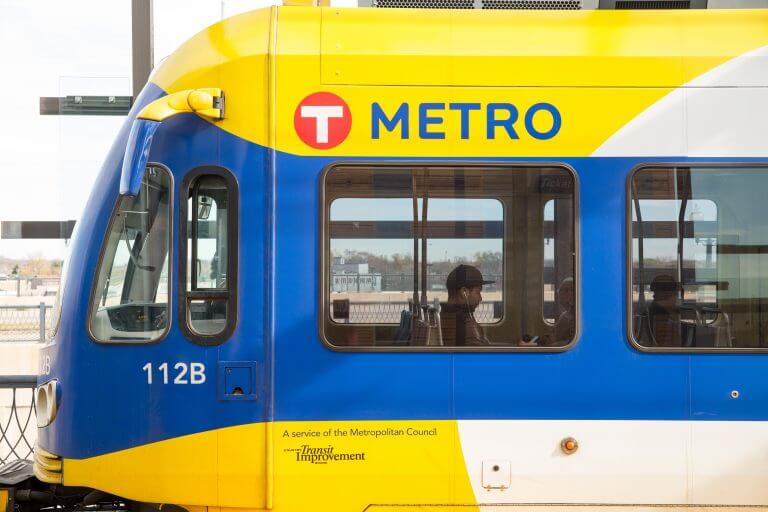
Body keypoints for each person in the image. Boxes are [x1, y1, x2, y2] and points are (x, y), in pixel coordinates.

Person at [440, 264, 494, 346]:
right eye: (478, 292)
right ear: (464, 292)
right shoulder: (466, 326)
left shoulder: (444, 316)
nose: (480, 298)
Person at [641, 274, 681, 347]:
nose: (666, 292)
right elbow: (659, 343)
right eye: (661, 287)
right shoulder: (650, 313)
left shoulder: (679, 310)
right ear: (654, 290)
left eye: (670, 288)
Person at [553, 277, 575, 345]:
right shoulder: (565, 315)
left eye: (564, 290)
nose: (559, 294)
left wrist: (554, 345)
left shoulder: (572, 317)